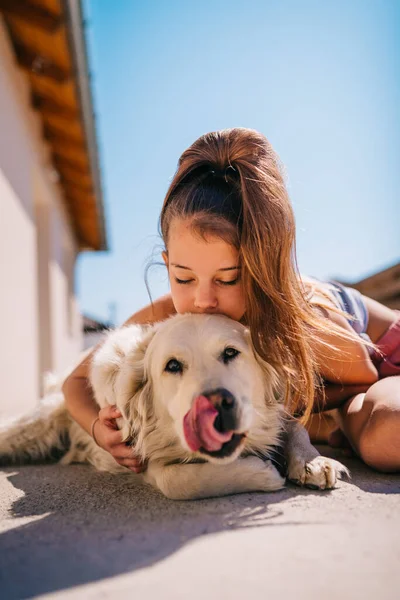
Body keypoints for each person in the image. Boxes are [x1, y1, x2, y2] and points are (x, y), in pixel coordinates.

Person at [62, 128, 400, 474]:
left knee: (389, 431)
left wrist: (274, 406)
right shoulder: (173, 312)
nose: (203, 299)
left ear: (262, 269)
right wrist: (98, 430)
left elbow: (362, 374)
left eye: (227, 279)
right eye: (184, 277)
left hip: (384, 358)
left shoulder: (292, 311)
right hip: (350, 400)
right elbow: (74, 383)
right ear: (167, 264)